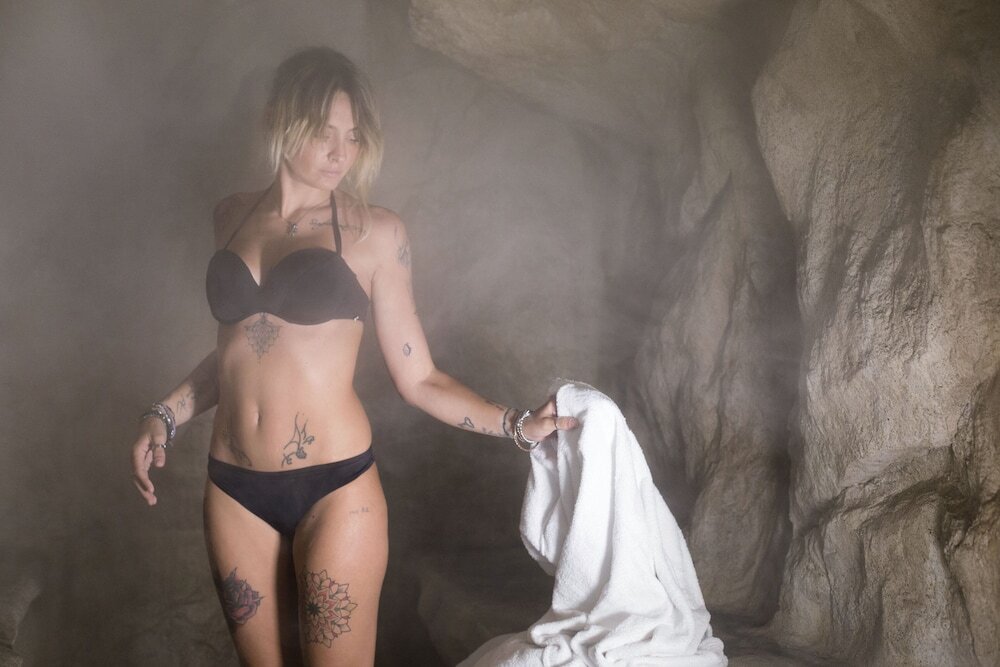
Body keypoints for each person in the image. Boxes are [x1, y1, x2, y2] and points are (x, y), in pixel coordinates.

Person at [128, 47, 578, 666]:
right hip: (233, 489)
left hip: (335, 488)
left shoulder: (376, 233)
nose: (342, 152)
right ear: (282, 122)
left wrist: (515, 425)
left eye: (354, 136)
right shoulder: (230, 217)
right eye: (324, 132)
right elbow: (235, 354)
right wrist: (164, 415)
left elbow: (419, 377)